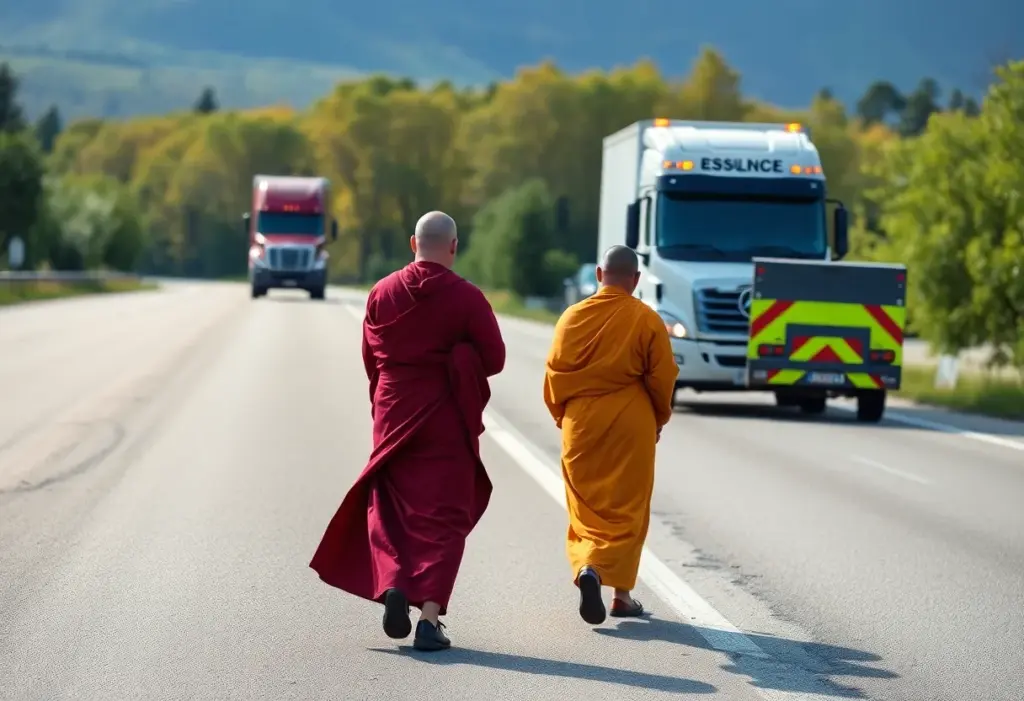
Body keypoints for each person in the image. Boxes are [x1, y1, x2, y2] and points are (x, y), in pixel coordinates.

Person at [310, 211, 506, 651]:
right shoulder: (468, 298)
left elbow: (371, 357)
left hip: (395, 411)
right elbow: (494, 358)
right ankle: (429, 621)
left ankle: (395, 583)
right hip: (445, 417)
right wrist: (459, 356)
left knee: (390, 509)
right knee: (444, 515)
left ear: (411, 243)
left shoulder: (382, 291)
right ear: (453, 246)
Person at [542, 245, 678, 625]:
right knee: (628, 508)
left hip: (580, 424)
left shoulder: (571, 317)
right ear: (635, 280)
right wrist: (658, 418)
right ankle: (621, 593)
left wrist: (561, 416)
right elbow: (662, 377)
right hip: (630, 422)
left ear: (599, 274)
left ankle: (589, 566)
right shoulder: (646, 319)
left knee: (586, 508)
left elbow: (554, 374)